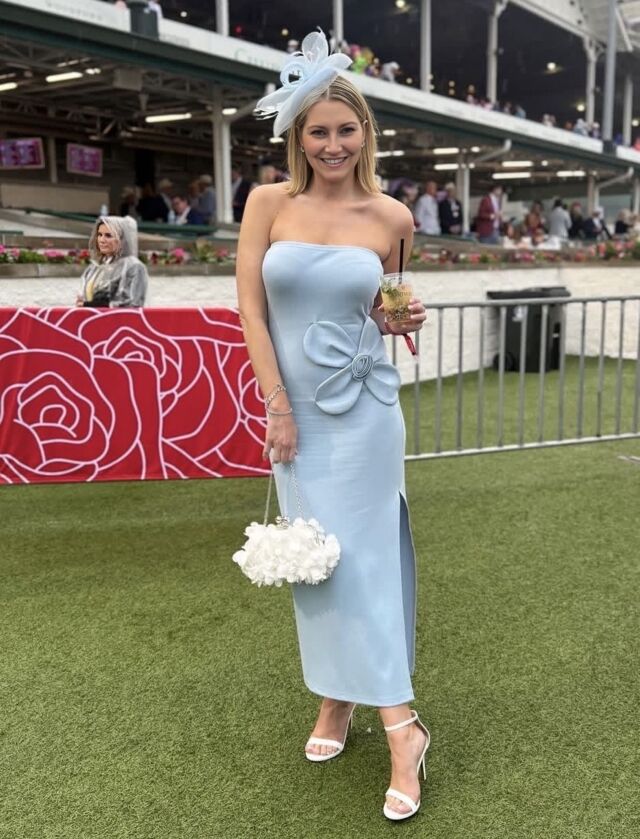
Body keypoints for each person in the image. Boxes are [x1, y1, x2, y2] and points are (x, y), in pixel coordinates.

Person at [237, 30, 428, 822]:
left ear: (365, 133)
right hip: (299, 419)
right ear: (297, 135)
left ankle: (402, 728)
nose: (333, 144)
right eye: (318, 130)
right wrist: (276, 404)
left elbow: (386, 309)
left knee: (367, 564)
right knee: (316, 565)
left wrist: (401, 318)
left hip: (367, 415)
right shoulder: (267, 204)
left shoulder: (394, 216)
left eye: (346, 129)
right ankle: (335, 697)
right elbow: (252, 310)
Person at [76, 215, 148, 308]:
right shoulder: (95, 267)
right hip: (93, 317)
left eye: (108, 235)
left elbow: (133, 304)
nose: (102, 240)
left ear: (122, 238)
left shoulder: (134, 267)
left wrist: (93, 305)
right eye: (99, 235)